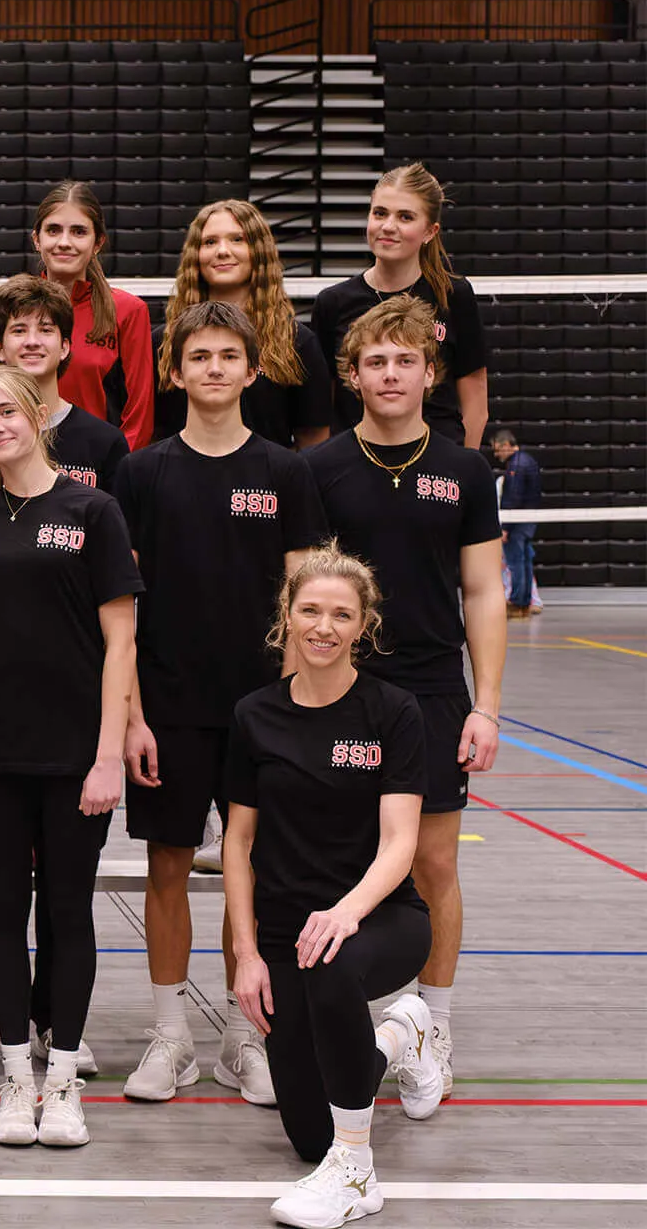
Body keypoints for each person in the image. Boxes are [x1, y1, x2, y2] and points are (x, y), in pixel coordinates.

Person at [115, 301, 330, 1108]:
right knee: (166, 867)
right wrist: (133, 714)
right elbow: (121, 609)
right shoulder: (141, 472)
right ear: (176, 371)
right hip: (170, 708)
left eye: (226, 356)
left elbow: (305, 601)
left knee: (270, 875)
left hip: (266, 712)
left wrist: (296, 708)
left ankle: (251, 1033)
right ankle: (170, 1034)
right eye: (197, 356)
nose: (212, 368)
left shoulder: (285, 472)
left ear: (252, 369)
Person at [0, 275, 129, 1079]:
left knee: (68, 911)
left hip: (76, 743)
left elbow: (120, 643)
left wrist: (109, 751)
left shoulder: (93, 510)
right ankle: (16, 1076)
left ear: (39, 416)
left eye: (7, 411)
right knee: (1, 909)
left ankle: (65, 1065)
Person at [305, 295, 504, 1099]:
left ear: (431, 372)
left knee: (431, 865)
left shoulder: (463, 471)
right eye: (375, 362)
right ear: (352, 376)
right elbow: (303, 593)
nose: (391, 374)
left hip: (430, 694)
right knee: (335, 863)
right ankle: (346, 1021)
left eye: (405, 360)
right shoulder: (319, 470)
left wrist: (485, 705)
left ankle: (435, 1025)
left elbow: (485, 591)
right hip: (339, 691)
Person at [225, 543, 445, 1228]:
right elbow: (237, 843)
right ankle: (401, 1036)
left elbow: (402, 841)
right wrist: (248, 955)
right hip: (287, 933)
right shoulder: (254, 715)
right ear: (286, 616)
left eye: (341, 615)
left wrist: (346, 912)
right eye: (310, 609)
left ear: (363, 626)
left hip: (380, 919)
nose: (324, 626)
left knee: (331, 965)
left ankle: (355, 1174)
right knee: (306, 1136)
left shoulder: (393, 712)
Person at [309, 163, 490, 447]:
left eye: (405, 217)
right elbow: (319, 406)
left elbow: (476, 398)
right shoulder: (333, 302)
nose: (388, 226)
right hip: (359, 462)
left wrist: (467, 468)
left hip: (437, 461)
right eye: (380, 213)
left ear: (430, 231)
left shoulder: (453, 294)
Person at [0, 274, 129, 508]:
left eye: (45, 330)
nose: (32, 341)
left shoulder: (105, 442)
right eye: (19, 330)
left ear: (64, 347)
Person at [151, 200, 333, 450]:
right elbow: (152, 433)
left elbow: (313, 439)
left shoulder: (296, 341)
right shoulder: (164, 343)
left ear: (259, 251)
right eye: (210, 242)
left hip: (268, 485)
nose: (222, 251)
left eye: (238, 239)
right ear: (195, 254)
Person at [31, 180, 155, 451]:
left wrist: (117, 472)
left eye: (78, 232)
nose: (64, 242)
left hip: (97, 474)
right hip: (24, 465)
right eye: (53, 230)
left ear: (97, 242)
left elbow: (139, 415)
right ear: (37, 239)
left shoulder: (128, 311)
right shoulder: (15, 308)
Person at [489, 427, 542, 618]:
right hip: (529, 520)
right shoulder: (528, 460)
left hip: (518, 522)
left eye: (497, 449)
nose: (496, 454)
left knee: (516, 563)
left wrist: (505, 528)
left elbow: (513, 498)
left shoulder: (516, 466)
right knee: (525, 561)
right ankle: (525, 603)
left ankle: (518, 603)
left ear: (505, 445)